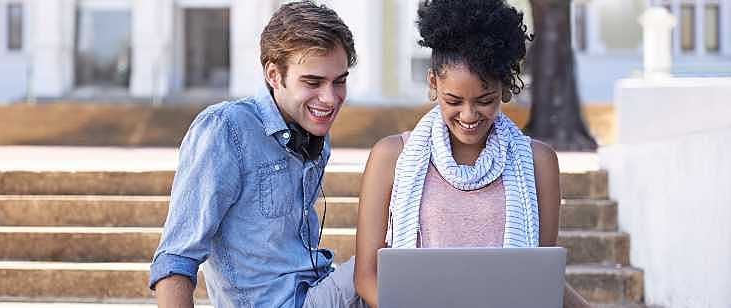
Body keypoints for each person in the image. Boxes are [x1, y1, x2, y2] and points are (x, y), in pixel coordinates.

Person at [352, 0, 592, 307]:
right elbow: (366, 277)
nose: (468, 115)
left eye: (485, 100)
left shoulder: (538, 162)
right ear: (433, 83)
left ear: (505, 87)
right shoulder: (390, 157)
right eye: (453, 100)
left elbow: (540, 277)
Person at [149, 1, 366, 307]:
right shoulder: (225, 129)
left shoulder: (313, 134)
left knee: (402, 261)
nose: (330, 99)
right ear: (274, 75)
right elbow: (175, 259)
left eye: (339, 81)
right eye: (313, 82)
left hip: (314, 291)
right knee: (384, 261)